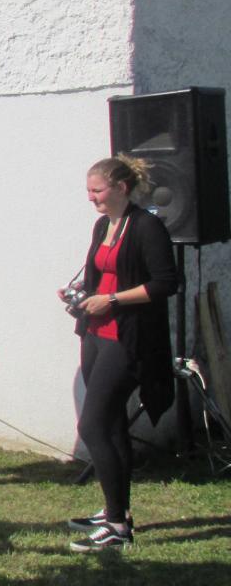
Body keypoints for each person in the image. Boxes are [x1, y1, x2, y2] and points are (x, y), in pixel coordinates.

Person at [64, 155, 177, 553]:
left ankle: (116, 527)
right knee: (111, 425)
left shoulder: (147, 226)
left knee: (93, 425)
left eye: (97, 190)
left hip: (127, 339)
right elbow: (99, 276)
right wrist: (81, 295)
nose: (91, 197)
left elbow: (165, 283)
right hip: (95, 334)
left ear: (121, 188)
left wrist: (111, 299)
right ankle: (118, 512)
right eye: (88, 191)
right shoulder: (103, 225)